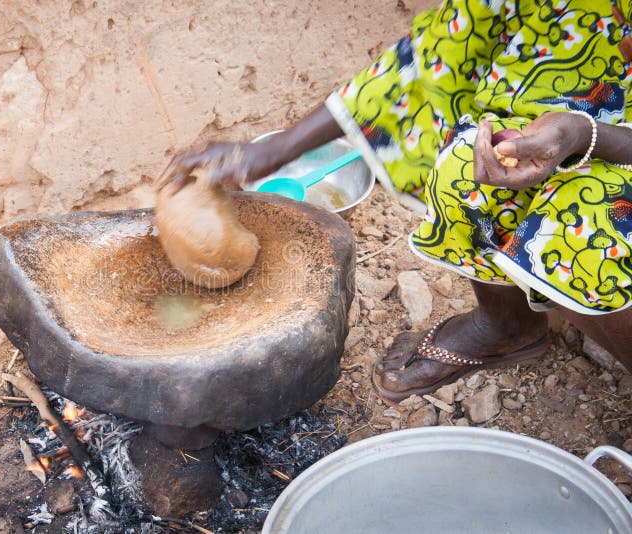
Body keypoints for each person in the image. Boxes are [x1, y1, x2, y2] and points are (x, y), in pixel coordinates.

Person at [157, 0, 632, 401]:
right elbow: (434, 57)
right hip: (570, 112)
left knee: (582, 233)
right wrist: (275, 148)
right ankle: (508, 325)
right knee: (468, 162)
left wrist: (582, 135)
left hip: (616, 142)